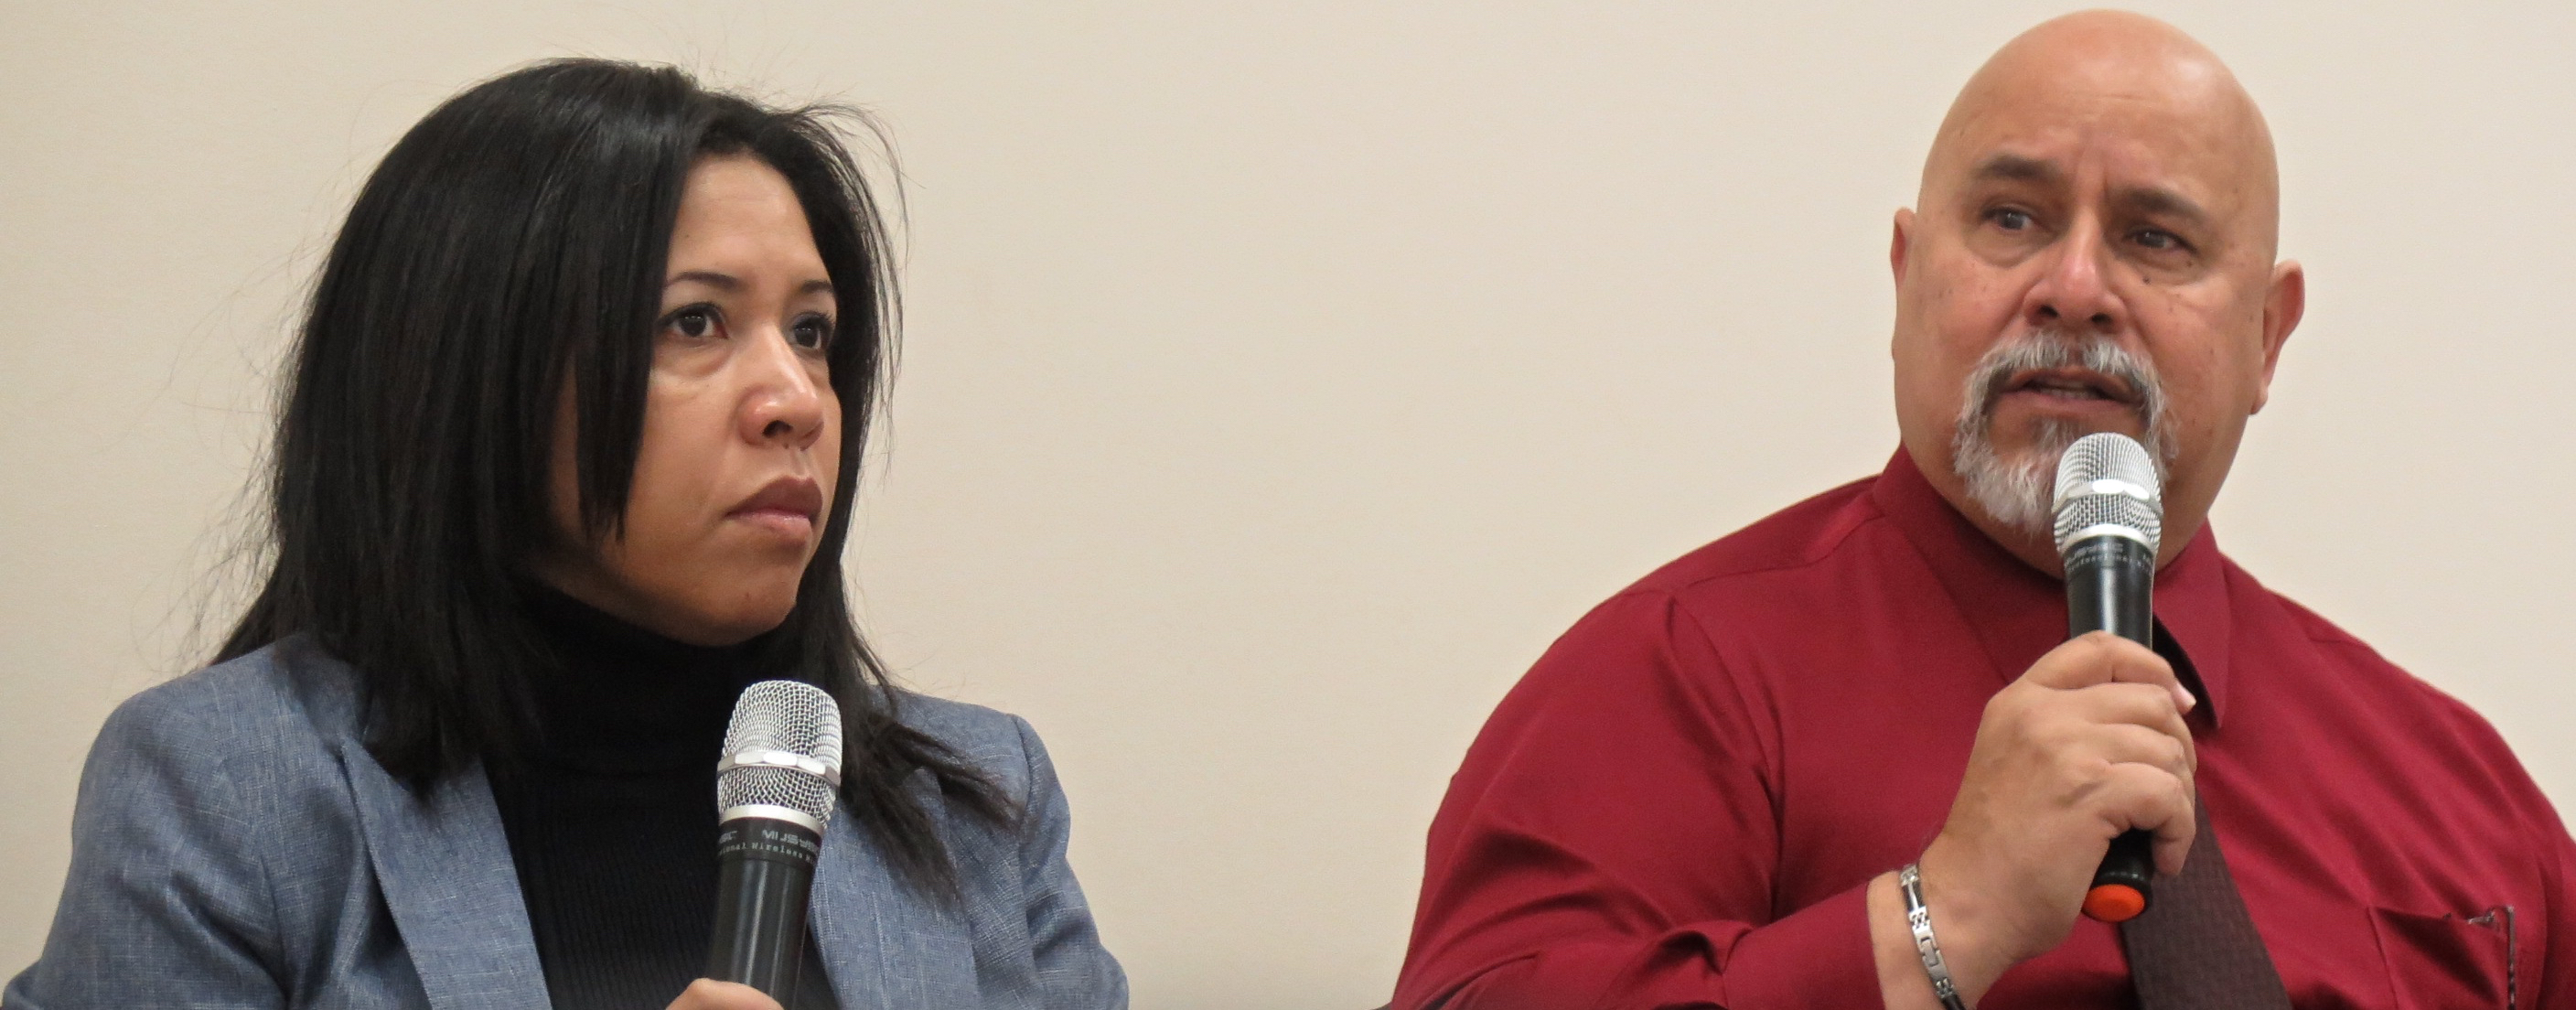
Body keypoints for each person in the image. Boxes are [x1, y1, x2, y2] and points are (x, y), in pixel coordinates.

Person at [1395, 11, 2572, 1009]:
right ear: (1907, 280)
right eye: (2011, 218)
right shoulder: (1675, 680)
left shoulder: (2454, 787)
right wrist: (1939, 919)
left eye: (2152, 239)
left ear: (2267, 336)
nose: (2071, 288)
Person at [5, 59, 1125, 1010]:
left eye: (813, 332)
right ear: (474, 376)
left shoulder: (980, 800)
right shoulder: (229, 795)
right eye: (696, 322)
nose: (797, 400)